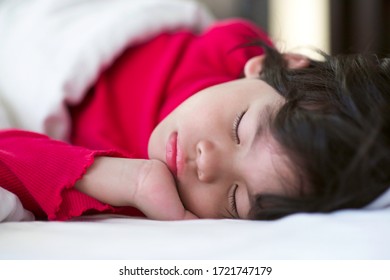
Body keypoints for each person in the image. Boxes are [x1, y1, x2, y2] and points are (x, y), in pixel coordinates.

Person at [0, 16, 389, 221]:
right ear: (270, 66)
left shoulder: (153, 196)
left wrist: (126, 180)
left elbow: (10, 159)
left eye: (235, 201)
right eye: (239, 127)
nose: (205, 162)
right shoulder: (224, 52)